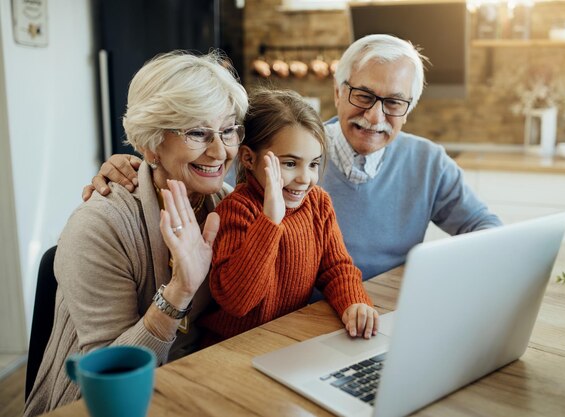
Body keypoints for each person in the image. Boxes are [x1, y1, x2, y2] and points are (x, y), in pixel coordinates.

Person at [84, 34, 501, 281]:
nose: (375, 116)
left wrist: (434, 276)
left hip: (381, 316)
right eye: (363, 95)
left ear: (409, 109)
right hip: (295, 322)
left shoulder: (429, 162)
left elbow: (489, 231)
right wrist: (135, 164)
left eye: (394, 103)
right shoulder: (283, 157)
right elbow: (200, 157)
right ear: (338, 91)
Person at [24, 50, 248, 416]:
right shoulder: (99, 225)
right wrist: (179, 292)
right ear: (151, 143)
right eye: (196, 132)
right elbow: (110, 372)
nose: (220, 150)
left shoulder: (227, 205)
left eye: (227, 130)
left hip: (195, 386)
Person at [199, 88, 378, 346]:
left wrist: (355, 302)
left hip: (286, 338)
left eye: (313, 164)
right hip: (232, 347)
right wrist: (270, 220)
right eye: (290, 164)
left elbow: (336, 269)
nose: (305, 178)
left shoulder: (318, 203)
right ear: (249, 158)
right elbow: (237, 302)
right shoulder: (236, 210)